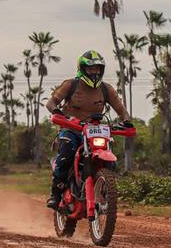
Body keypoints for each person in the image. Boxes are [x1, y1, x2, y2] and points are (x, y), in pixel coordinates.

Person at [45, 50, 131, 209]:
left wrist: (126, 121)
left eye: (98, 69)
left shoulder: (106, 89)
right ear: (82, 69)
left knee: (109, 159)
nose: (95, 72)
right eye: (91, 69)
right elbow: (51, 103)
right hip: (71, 129)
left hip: (96, 131)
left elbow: (122, 110)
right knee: (66, 154)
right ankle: (55, 194)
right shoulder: (70, 85)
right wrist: (56, 112)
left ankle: (104, 191)